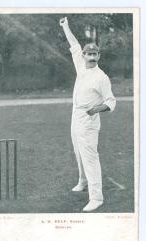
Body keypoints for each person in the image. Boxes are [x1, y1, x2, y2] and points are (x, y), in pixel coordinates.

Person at [60, 17, 116, 212]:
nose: (91, 56)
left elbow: (111, 101)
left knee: (90, 156)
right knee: (77, 151)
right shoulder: (80, 64)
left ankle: (97, 197)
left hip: (90, 120)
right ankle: (82, 181)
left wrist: (95, 110)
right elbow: (74, 44)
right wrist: (65, 25)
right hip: (76, 115)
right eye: (88, 53)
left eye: (94, 53)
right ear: (84, 55)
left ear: (99, 56)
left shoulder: (102, 77)